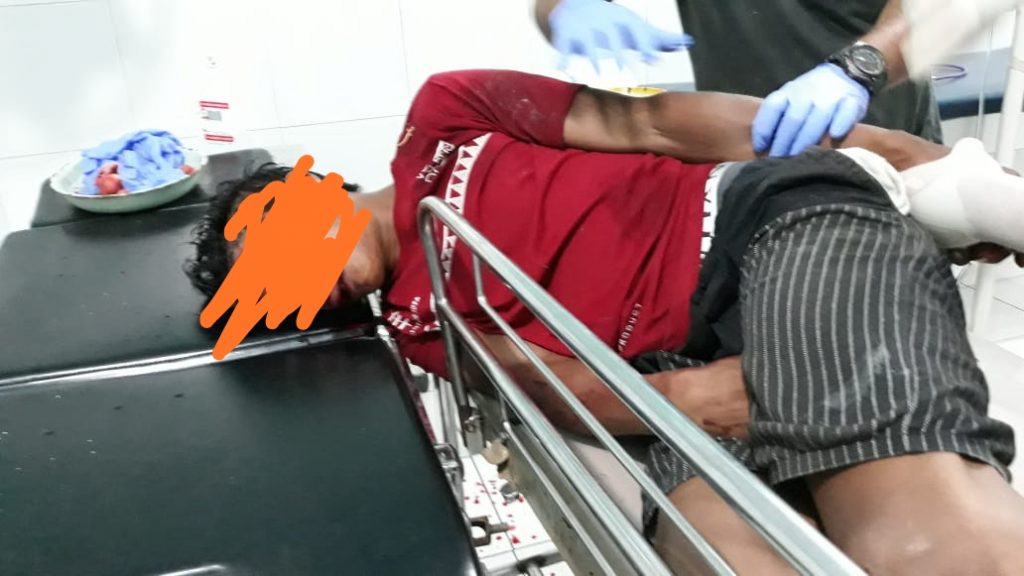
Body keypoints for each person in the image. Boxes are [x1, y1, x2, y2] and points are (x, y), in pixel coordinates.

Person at [187, 69, 1024, 574]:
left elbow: (649, 119)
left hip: (758, 227)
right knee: (716, 548)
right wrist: (695, 401)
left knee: (913, 535)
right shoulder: (418, 323)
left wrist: (899, 154)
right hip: (678, 363)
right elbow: (553, 384)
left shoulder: (442, 118)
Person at [534, 0, 943, 158]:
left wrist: (856, 71)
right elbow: (549, 6)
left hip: (874, 134)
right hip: (746, 152)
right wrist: (567, 9)